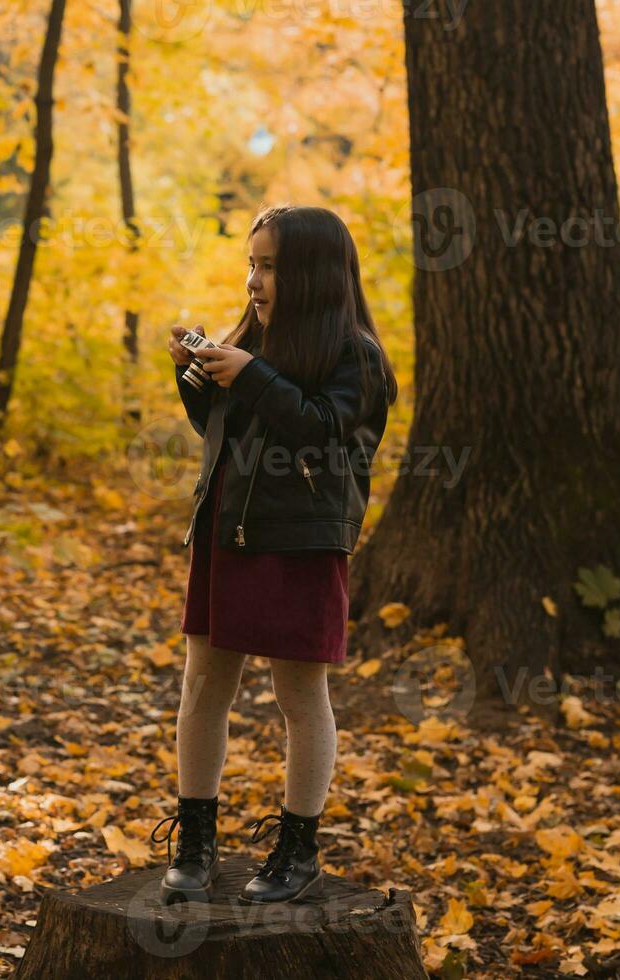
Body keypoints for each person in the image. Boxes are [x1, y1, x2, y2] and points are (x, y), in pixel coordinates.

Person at [150, 205, 398, 906]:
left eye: (269, 267)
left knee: (299, 694)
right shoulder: (252, 337)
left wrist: (252, 374)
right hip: (228, 528)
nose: (254, 280)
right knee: (203, 684)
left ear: (314, 274)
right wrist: (197, 378)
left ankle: (298, 846)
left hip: (301, 541)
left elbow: (320, 431)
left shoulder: (354, 354)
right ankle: (195, 838)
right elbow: (221, 430)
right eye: (251, 265)